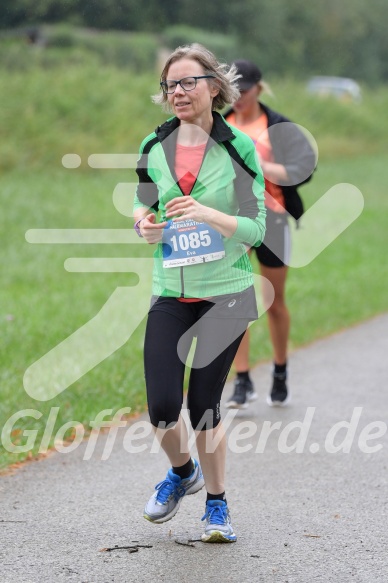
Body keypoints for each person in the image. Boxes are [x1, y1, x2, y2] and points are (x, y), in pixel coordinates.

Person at [133, 44, 266, 543]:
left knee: (203, 405)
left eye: (189, 82)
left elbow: (258, 229)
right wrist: (144, 225)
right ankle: (182, 472)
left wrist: (210, 215)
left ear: (215, 86)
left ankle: (216, 505)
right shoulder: (153, 145)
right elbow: (143, 205)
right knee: (163, 407)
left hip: (227, 293)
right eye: (171, 85)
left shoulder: (238, 148)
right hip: (171, 288)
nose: (178, 93)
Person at [224, 59, 316, 410]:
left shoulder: (277, 126)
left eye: (244, 91)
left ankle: (279, 371)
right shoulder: (221, 126)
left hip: (273, 220)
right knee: (233, 300)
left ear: (259, 88)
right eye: (232, 92)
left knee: (274, 303)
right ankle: (242, 380)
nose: (239, 98)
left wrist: (259, 164)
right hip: (233, 222)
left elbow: (302, 170)